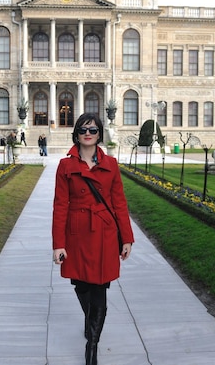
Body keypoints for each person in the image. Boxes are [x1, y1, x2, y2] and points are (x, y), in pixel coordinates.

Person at [52, 113, 134, 365]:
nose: (88, 133)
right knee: (81, 285)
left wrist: (126, 238)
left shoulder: (110, 164)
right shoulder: (66, 166)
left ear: (100, 134)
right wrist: (59, 244)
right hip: (76, 233)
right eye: (84, 129)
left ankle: (92, 346)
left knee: (100, 288)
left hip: (104, 233)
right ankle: (91, 322)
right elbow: (60, 206)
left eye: (94, 130)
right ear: (76, 133)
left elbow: (119, 204)